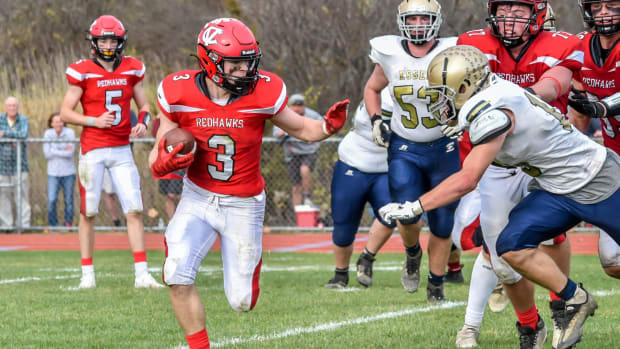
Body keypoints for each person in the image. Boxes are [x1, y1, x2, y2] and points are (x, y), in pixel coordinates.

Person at [380, 44, 615, 349]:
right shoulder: (492, 91)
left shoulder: (491, 108)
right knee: (509, 246)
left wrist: (415, 205)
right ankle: (575, 299)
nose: (438, 101)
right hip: (555, 187)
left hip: (598, 178)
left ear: (465, 87)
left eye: (443, 92)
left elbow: (467, 179)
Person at [148, 18, 349, 349]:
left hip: (243, 203)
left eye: (249, 61)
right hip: (197, 197)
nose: (246, 70)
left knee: (241, 301)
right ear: (210, 61)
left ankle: (247, 274)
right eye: (237, 63)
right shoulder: (177, 91)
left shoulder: (262, 91)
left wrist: (327, 126)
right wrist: (163, 161)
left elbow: (302, 129)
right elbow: (157, 152)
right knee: (176, 272)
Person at [452, 1, 583, 347]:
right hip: (498, 159)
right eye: (504, 8)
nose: (509, 17)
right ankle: (529, 324)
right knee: (502, 256)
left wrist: (508, 101)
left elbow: (554, 85)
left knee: (554, 233)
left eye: (519, 10)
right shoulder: (473, 42)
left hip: (544, 154)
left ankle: (560, 307)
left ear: (538, 14)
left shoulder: (561, 43)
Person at [363, 0, 459, 303]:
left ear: (436, 21)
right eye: (412, 18)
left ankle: (436, 283)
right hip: (405, 147)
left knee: (443, 223)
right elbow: (371, 88)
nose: (417, 24)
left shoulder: (454, 49)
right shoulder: (389, 51)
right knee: (406, 215)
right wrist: (377, 119)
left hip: (445, 147)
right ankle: (412, 252)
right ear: (401, 21)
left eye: (424, 18)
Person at [60, 15, 163, 289]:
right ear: (94, 41)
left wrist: (142, 123)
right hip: (92, 148)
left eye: (113, 39)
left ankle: (142, 274)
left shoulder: (132, 68)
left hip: (121, 149)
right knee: (88, 213)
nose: (108, 44)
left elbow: (145, 106)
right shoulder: (81, 71)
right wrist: (93, 121)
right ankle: (87, 276)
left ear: (121, 42)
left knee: (134, 209)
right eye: (103, 39)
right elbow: (65, 112)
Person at [568, 0, 620, 280]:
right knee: (612, 262)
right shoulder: (580, 48)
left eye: (612, 5)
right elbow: (578, 116)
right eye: (597, 7)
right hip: (614, 158)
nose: (604, 13)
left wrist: (605, 106)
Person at [325, 88, 396, 289]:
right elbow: (367, 127)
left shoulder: (417, 94)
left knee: (391, 214)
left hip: (387, 168)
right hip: (353, 163)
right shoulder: (381, 94)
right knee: (344, 226)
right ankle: (340, 274)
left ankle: (367, 257)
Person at [273, 93, 323, 207]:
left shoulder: (311, 115)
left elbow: (323, 125)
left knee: (305, 169)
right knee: (296, 187)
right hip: (292, 153)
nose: (297, 108)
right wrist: (287, 131)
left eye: (300, 105)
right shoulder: (283, 115)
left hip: (309, 151)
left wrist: (314, 135)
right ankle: (298, 216)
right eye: (294, 105)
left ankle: (307, 197)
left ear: (304, 106)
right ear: (290, 106)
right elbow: (276, 133)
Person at [0, 96, 31, 230]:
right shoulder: (1, 118)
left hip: (20, 166)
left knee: (22, 197)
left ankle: (23, 226)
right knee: (3, 197)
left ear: (17, 107)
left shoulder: (23, 119)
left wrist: (4, 135)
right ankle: (7, 226)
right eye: (10, 105)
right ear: (6, 107)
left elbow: (23, 134)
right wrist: (13, 136)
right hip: (2, 166)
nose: (12, 108)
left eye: (14, 105)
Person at [43, 112, 76, 227]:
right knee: (52, 200)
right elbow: (47, 154)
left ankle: (68, 224)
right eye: (56, 121)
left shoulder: (70, 133)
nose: (59, 124)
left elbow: (70, 153)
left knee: (69, 200)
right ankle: (53, 225)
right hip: (53, 172)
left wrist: (54, 150)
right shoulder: (48, 134)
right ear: (51, 123)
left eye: (61, 121)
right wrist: (63, 150)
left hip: (69, 172)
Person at [151, 115, 184, 222]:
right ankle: (172, 223)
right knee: (167, 196)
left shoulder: (180, 116)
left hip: (178, 161)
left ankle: (183, 219)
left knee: (174, 194)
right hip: (164, 161)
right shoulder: (159, 119)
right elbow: (155, 135)